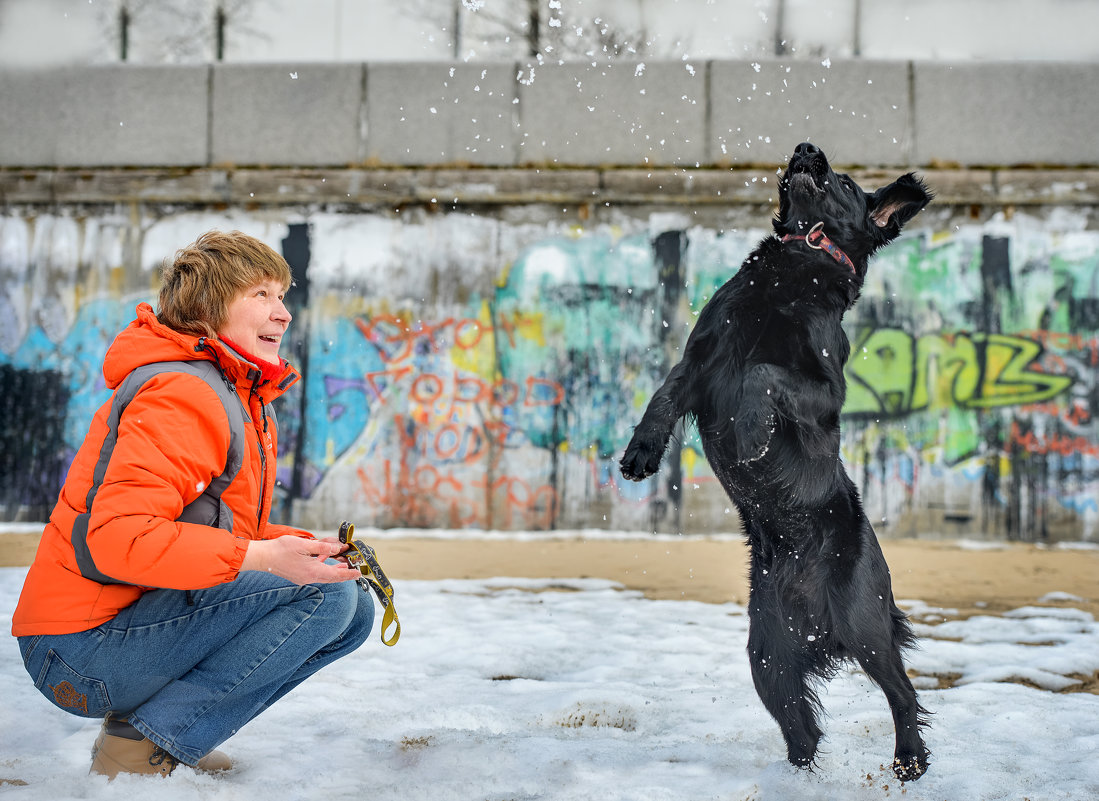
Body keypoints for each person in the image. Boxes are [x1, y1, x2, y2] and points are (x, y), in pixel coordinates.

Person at [11, 230, 373, 779]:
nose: (283, 314)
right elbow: (119, 538)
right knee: (323, 601)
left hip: (119, 626)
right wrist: (269, 560)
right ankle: (142, 745)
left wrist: (300, 548)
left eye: (282, 295)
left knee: (348, 603)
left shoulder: (232, 393)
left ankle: (170, 727)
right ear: (208, 308)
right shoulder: (184, 392)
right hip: (79, 651)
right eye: (261, 295)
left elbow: (215, 526)